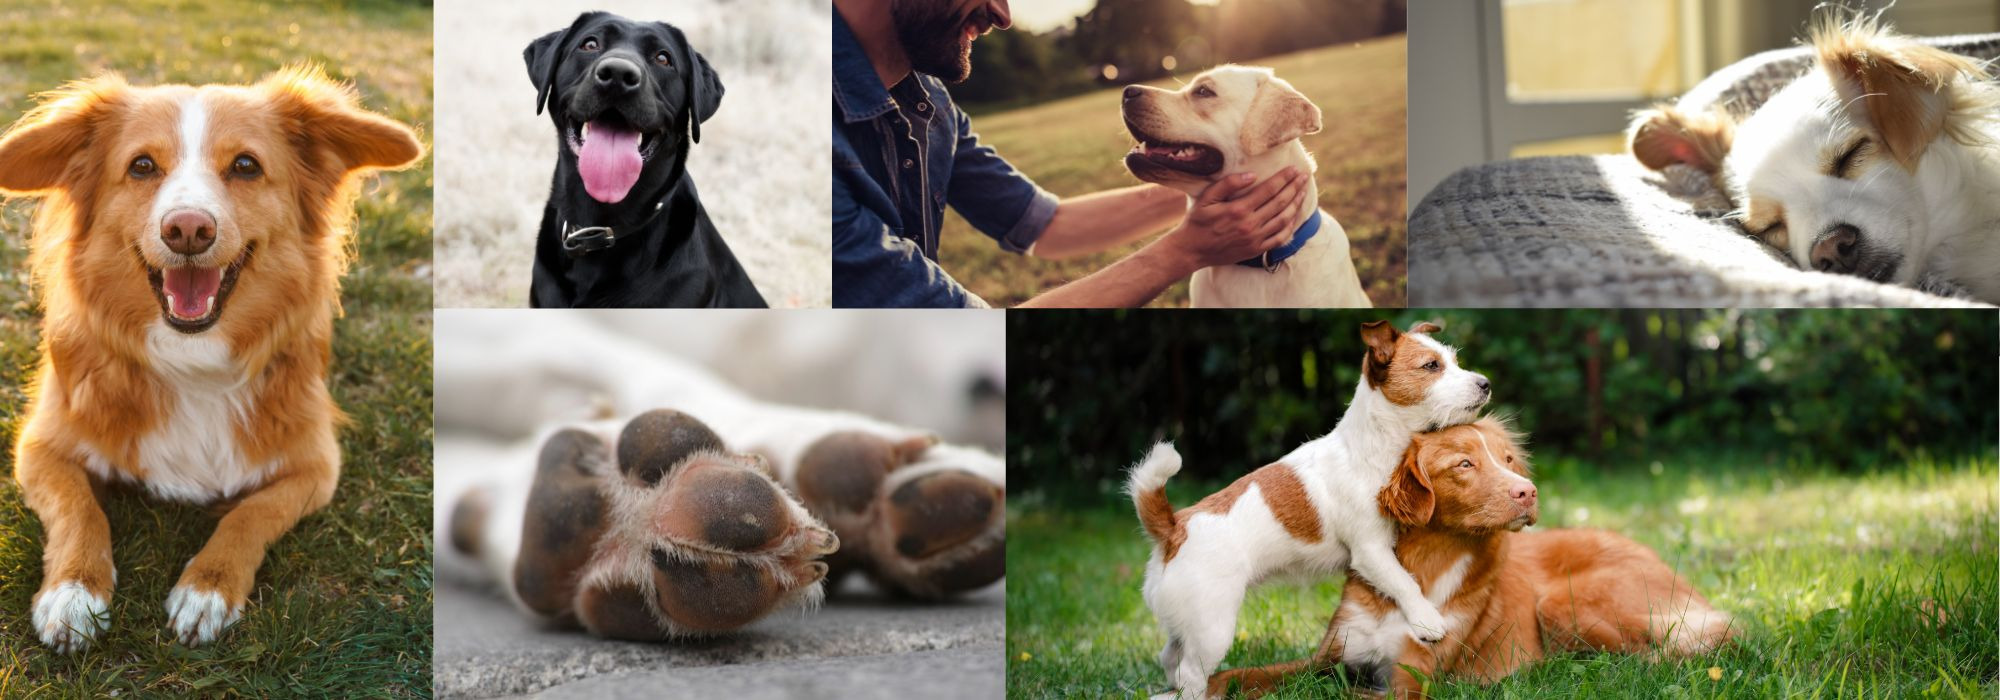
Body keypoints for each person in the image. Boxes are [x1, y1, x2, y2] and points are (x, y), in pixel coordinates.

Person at [832, 0, 1309, 308]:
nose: (1002, 14)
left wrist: (1236, 187)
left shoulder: (930, 103)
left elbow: (1047, 224)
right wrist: (1185, 250)